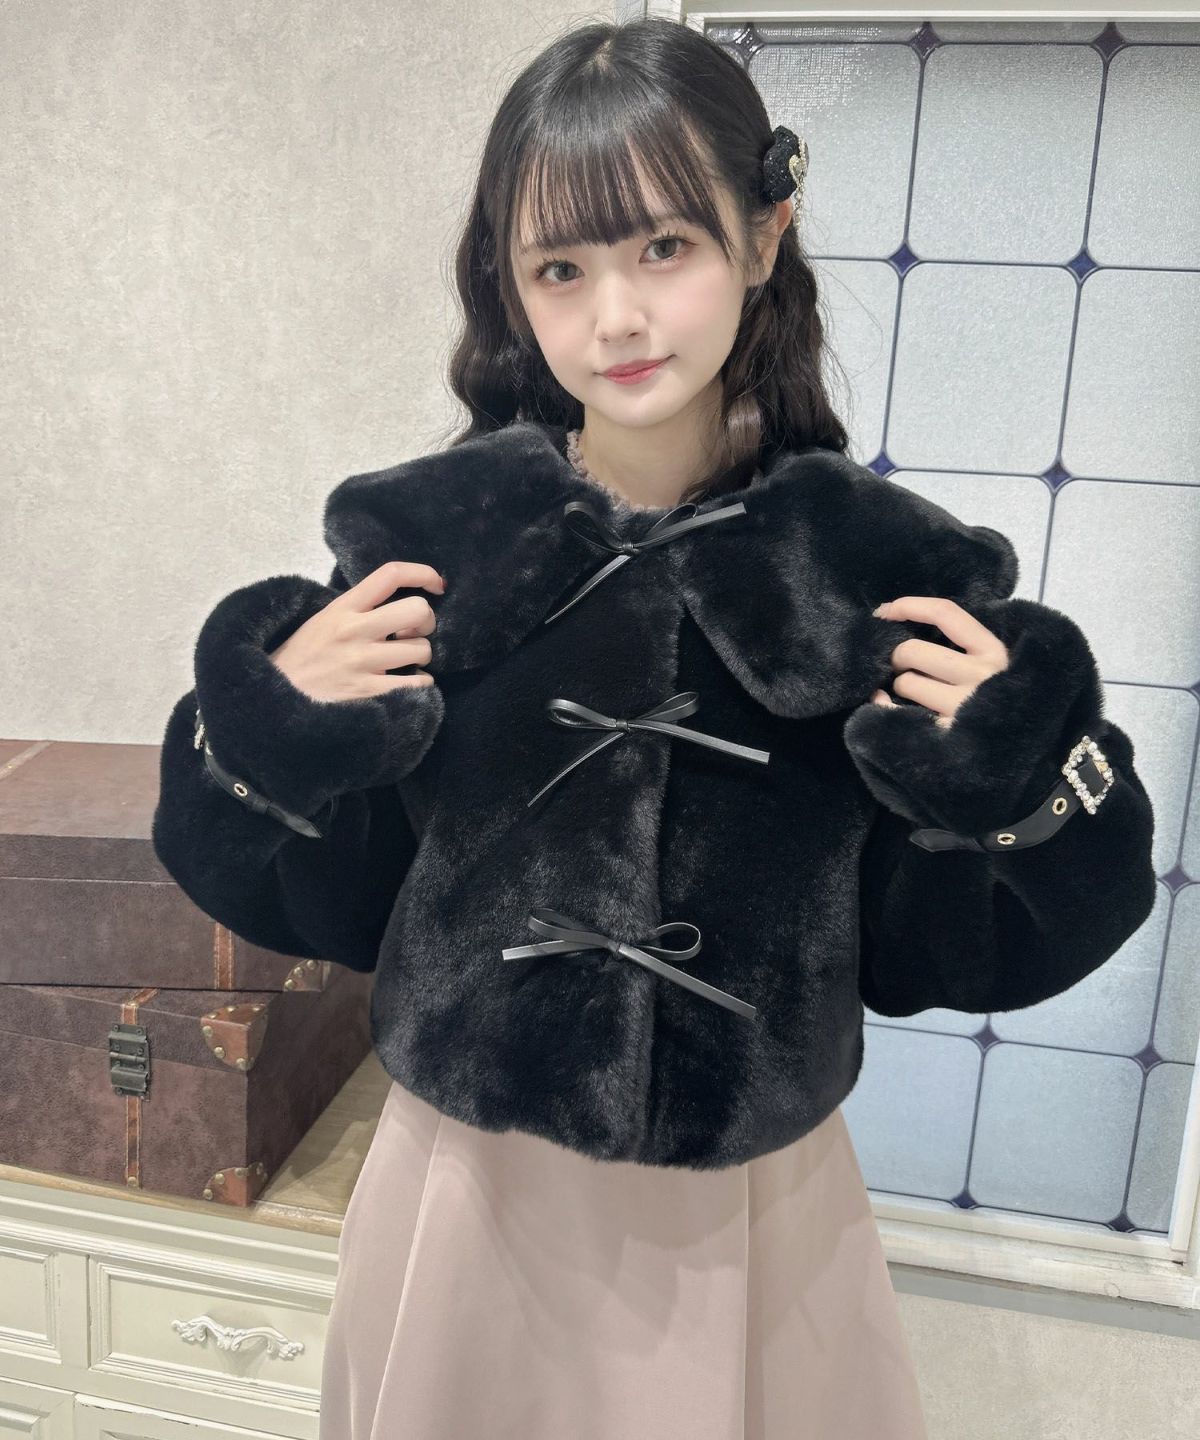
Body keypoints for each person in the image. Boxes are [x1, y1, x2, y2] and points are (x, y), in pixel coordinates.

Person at [151, 17, 1156, 1440]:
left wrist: (1018, 778)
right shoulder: (440, 552)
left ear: (764, 235)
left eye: (665, 248)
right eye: (560, 268)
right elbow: (333, 903)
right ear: (510, 287)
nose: (615, 317)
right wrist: (270, 727)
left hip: (754, 1218)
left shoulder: (871, 577)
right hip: (468, 1195)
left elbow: (944, 950)